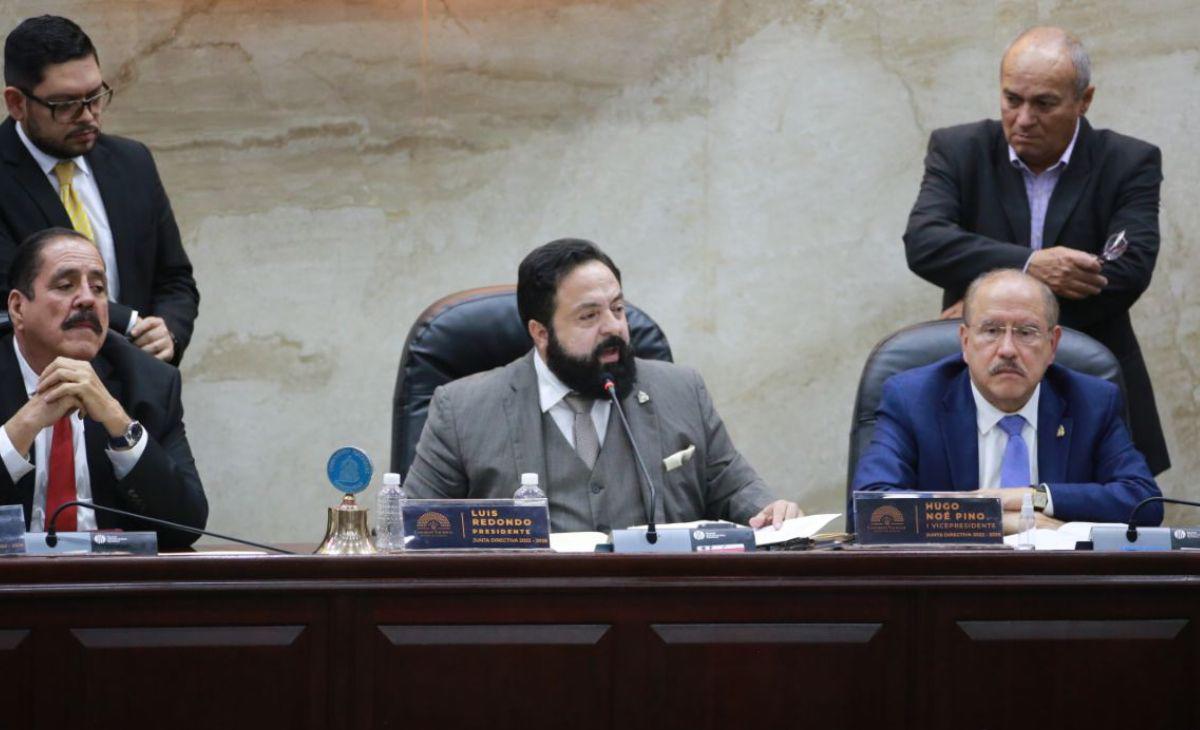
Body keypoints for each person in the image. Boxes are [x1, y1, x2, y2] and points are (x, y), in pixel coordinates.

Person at [902, 26, 1169, 475]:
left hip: (1092, 383)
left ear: (1084, 100)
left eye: (1044, 104)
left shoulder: (1128, 161)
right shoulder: (960, 149)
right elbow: (925, 241)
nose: (1024, 118)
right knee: (976, 506)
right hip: (982, 385)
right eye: (1012, 99)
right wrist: (1030, 267)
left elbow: (1125, 271)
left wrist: (995, 312)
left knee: (1103, 509)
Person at [404, 238, 802, 533]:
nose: (614, 327)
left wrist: (771, 513)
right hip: (527, 614)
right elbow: (411, 531)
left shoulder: (682, 391)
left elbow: (737, 490)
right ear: (540, 333)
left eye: (617, 308)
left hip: (658, 610)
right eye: (589, 316)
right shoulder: (463, 410)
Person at [852, 269, 1161, 534]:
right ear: (965, 341)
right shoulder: (913, 399)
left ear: (1052, 345)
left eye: (1026, 332)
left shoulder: (1091, 402)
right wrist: (998, 520)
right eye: (991, 331)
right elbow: (872, 510)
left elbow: (1144, 502)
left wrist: (1031, 497)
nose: (1008, 350)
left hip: (1061, 581)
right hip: (950, 580)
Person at [0, 15, 198, 365]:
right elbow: (8, 296)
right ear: (17, 103)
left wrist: (168, 331)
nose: (88, 115)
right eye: (65, 104)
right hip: (38, 388)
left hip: (137, 386)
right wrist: (132, 324)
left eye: (95, 96)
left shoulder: (132, 162)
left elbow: (175, 278)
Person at [0, 227, 207, 548]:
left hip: (111, 577)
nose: (87, 299)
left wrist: (117, 421)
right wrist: (26, 423)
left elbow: (186, 524)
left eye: (98, 288)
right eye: (65, 285)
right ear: (17, 308)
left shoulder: (148, 382)